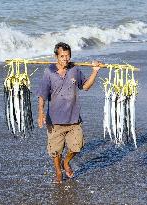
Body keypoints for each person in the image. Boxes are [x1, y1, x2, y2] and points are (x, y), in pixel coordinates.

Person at [37, 42, 101, 183]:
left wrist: (95, 71)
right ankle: (58, 172)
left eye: (67, 56)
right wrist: (40, 112)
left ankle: (66, 162)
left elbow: (85, 87)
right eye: (62, 56)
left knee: (77, 146)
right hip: (55, 121)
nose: (65, 59)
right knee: (55, 151)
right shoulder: (49, 72)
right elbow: (42, 95)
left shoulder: (75, 70)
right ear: (56, 56)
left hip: (73, 119)